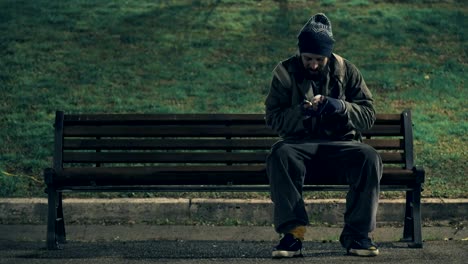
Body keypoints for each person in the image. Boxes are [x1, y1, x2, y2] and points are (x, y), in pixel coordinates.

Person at [264, 13, 382, 258]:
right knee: (280, 152)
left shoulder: (347, 70)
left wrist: (339, 107)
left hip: (341, 145)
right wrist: (300, 113)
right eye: (308, 58)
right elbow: (274, 118)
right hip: (299, 146)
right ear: (300, 53)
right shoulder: (284, 72)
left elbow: (368, 114)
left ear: (328, 55)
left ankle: (358, 235)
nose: (314, 64)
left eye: (320, 59)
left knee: (369, 156)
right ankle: (292, 235)